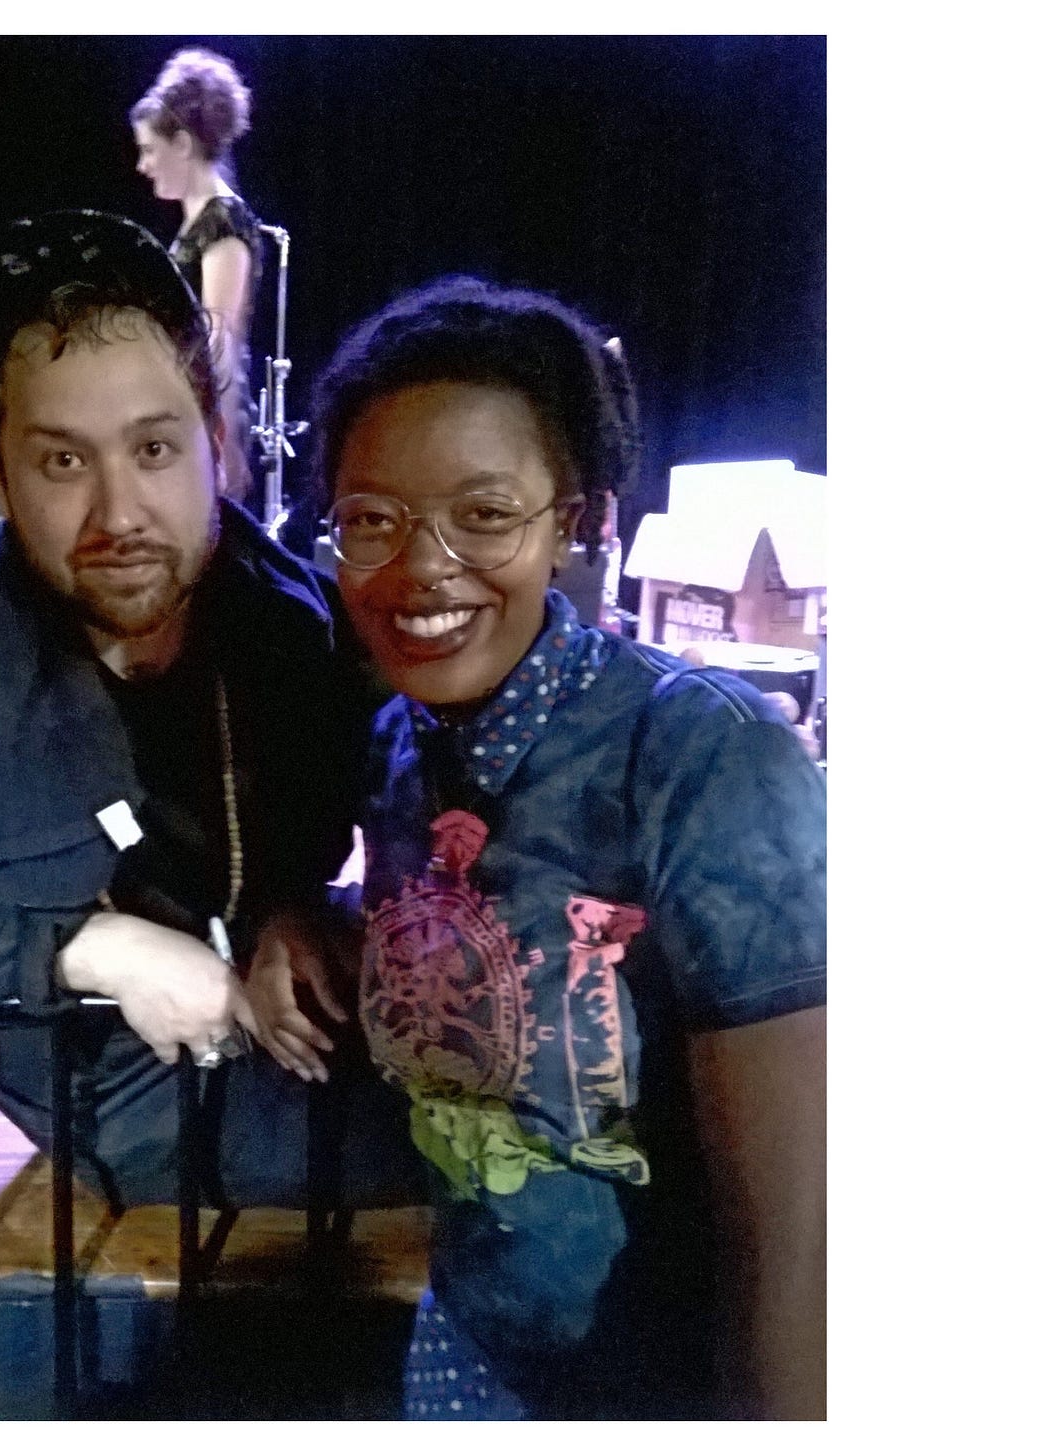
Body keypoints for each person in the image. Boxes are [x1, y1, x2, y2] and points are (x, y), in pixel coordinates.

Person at [246, 277, 826, 1419]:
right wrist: (289, 912)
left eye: (484, 513)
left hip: (663, 1387)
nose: (422, 567)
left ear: (578, 518)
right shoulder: (398, 747)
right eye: (372, 518)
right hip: (467, 1351)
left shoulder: (703, 760)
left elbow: (803, 1250)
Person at [0, 209, 421, 1212]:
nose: (119, 514)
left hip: (281, 1005)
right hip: (114, 1084)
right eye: (61, 462)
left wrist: (291, 915)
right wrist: (95, 950)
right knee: (491, 1146)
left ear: (216, 444)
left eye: (152, 449)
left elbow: (335, 808)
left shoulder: (287, 617)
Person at [131, 48, 262, 505]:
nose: (142, 165)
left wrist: (220, 446)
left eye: (149, 150)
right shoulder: (200, 220)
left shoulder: (224, 220)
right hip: (187, 413)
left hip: (208, 420)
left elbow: (221, 341)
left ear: (183, 144)